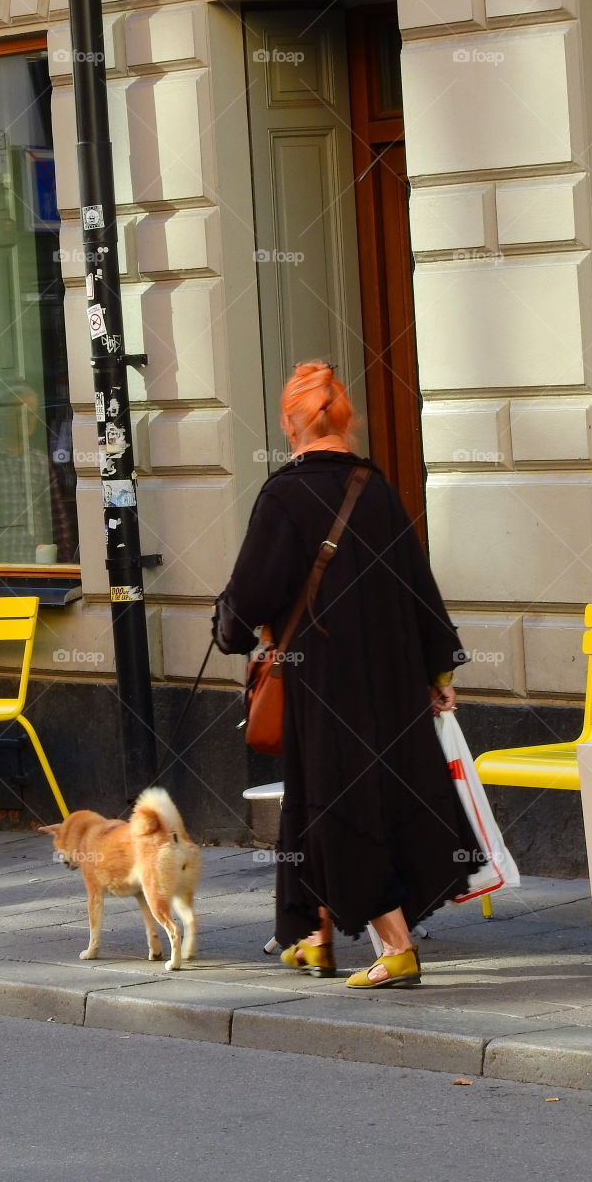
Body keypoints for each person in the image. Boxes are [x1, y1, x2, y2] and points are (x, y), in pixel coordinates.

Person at [212, 361, 479, 988]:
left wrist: (227, 630)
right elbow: (419, 583)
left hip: (325, 681)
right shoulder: (376, 488)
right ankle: (316, 938)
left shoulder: (283, 495)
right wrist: (438, 670)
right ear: (346, 420)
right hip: (390, 677)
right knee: (331, 800)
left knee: (340, 804)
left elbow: (252, 590)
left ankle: (397, 948)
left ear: (289, 424)